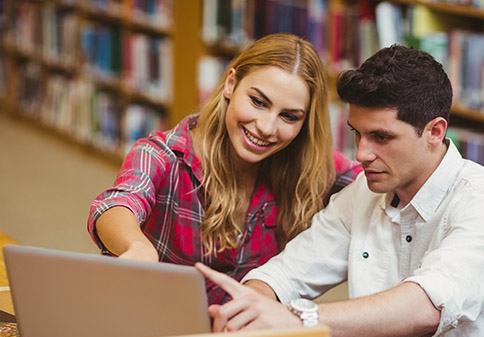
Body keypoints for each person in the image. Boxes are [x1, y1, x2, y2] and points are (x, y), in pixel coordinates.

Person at [196, 45, 484, 337]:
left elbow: (425, 306)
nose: (361, 154)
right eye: (357, 134)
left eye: (381, 136)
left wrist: (301, 318)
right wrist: (253, 302)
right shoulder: (366, 193)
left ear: (434, 132)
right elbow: (288, 271)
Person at [87, 33, 361, 305]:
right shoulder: (163, 155)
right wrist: (136, 246)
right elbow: (116, 204)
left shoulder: (307, 162)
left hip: (242, 336)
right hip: (160, 326)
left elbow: (373, 179)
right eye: (258, 102)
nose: (266, 128)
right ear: (231, 84)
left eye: (289, 116)